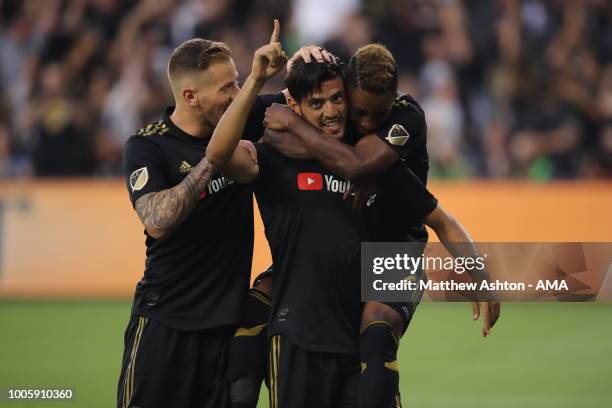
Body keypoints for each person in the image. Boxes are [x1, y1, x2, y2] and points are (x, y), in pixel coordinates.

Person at [262, 43, 501, 408]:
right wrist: (288, 80)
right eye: (360, 113)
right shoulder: (334, 103)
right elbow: (268, 124)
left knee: (377, 329)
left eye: (380, 113)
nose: (370, 122)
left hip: (396, 248)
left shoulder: (403, 128)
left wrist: (482, 279)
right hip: (349, 245)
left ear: (395, 96)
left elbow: (438, 218)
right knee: (258, 299)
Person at [117, 21, 285, 408]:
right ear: (190, 96)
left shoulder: (242, 114)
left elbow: (307, 94)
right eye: (226, 88)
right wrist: (215, 160)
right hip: (165, 323)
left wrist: (315, 58)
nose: (237, 95)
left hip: (224, 331)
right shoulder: (148, 146)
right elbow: (157, 220)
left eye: (238, 82)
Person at [207, 55, 365, 408]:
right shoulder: (269, 157)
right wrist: (257, 80)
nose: (331, 112)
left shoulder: (366, 156)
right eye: (317, 103)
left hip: (360, 339)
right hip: (297, 337)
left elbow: (425, 218)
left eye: (337, 99)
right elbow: (217, 152)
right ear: (294, 104)